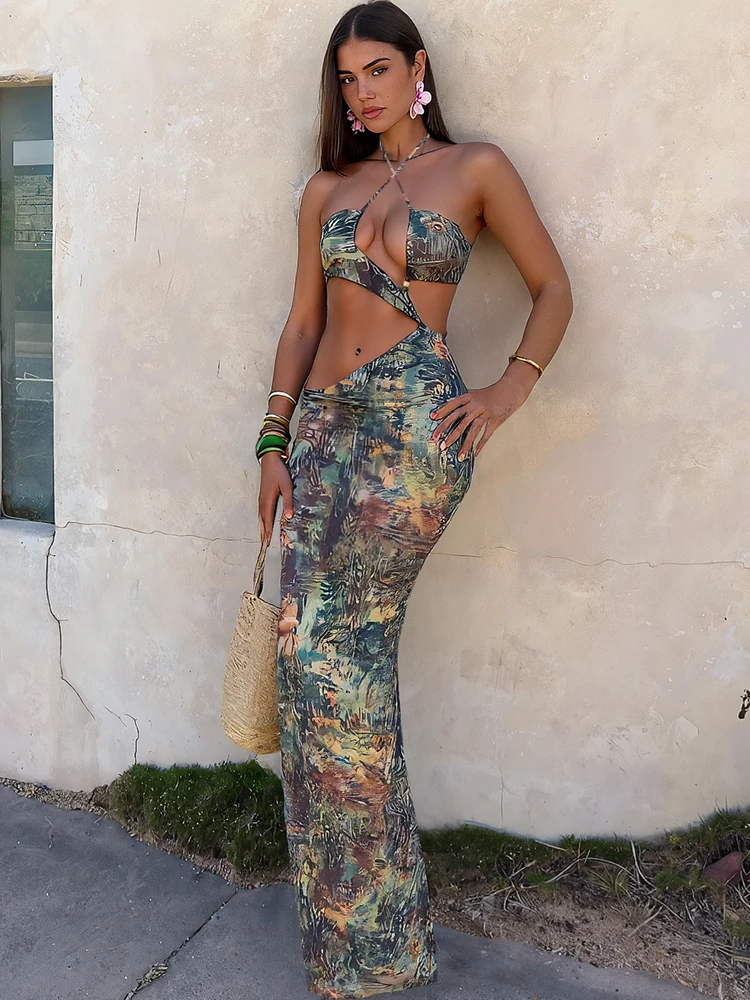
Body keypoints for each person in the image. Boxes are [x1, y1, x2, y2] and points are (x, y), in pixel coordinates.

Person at [256, 2, 573, 995]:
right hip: (324, 430)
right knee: (305, 661)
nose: (363, 93)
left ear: (417, 66)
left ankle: (375, 945)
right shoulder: (327, 188)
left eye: (378, 70)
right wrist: (272, 440)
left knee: (342, 659)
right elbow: (302, 323)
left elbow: (553, 287)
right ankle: (360, 936)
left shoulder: (476, 169)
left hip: (414, 434)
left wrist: (509, 388)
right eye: (348, 79)